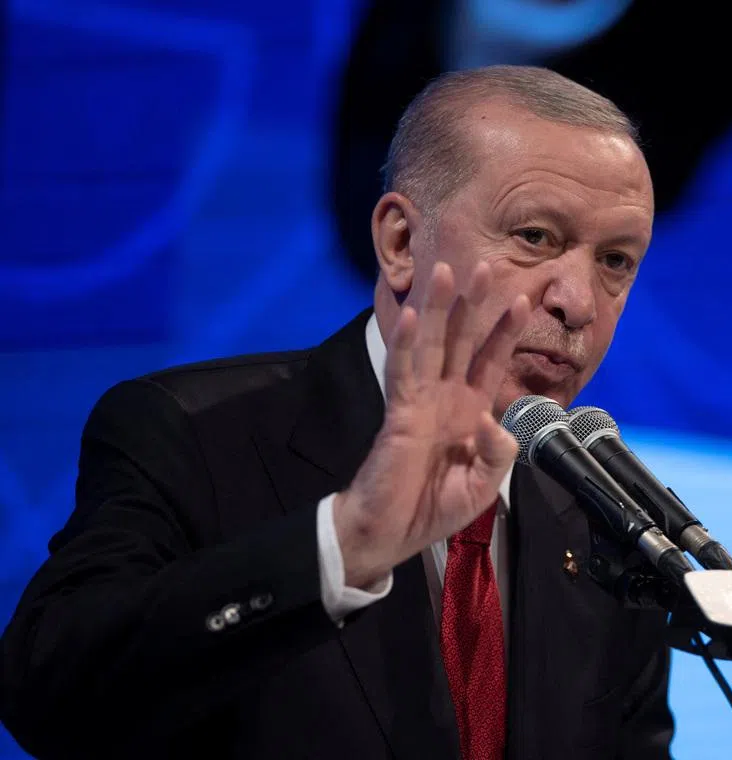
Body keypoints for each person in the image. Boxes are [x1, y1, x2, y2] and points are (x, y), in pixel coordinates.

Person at [0, 65, 672, 759]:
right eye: (536, 237)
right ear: (401, 244)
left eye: (616, 260)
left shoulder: (603, 519)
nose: (580, 303)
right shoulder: (191, 432)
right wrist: (346, 544)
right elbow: (50, 695)